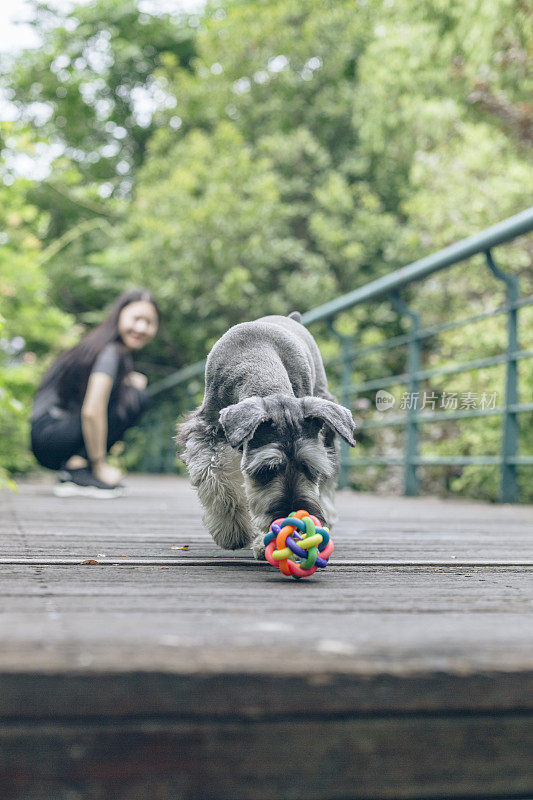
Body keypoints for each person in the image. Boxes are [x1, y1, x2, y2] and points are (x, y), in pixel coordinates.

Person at [31, 288, 160, 497]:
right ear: (119, 315)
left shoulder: (101, 346)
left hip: (47, 435)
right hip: (53, 435)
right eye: (136, 318)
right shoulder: (111, 351)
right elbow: (92, 409)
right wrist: (100, 465)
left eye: (150, 322)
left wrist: (128, 379)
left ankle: (78, 468)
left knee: (134, 391)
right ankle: (80, 469)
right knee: (137, 397)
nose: (141, 327)